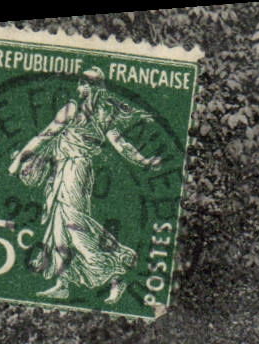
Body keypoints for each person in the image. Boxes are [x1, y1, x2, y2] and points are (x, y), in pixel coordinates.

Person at [9, 67, 163, 304]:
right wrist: (20, 159)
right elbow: (44, 136)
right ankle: (62, 283)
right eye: (81, 83)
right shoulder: (72, 109)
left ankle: (116, 274)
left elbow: (121, 145)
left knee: (74, 226)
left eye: (88, 84)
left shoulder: (104, 114)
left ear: (98, 88)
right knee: (57, 225)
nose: (83, 88)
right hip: (60, 169)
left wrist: (144, 161)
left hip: (77, 170)